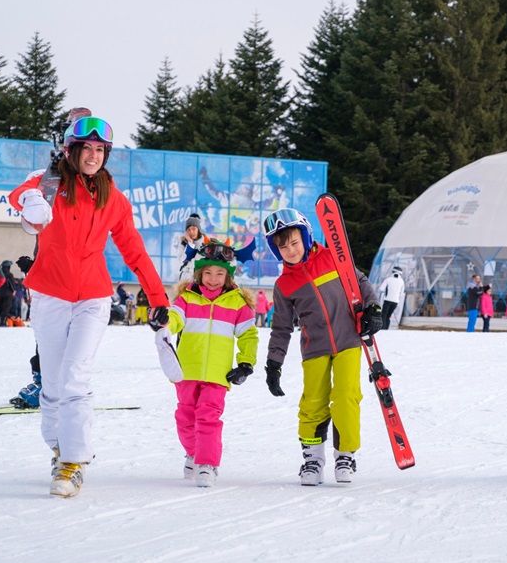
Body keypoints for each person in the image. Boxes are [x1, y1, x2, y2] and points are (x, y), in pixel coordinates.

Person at [8, 112, 170, 499]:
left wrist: (157, 297)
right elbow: (21, 194)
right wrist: (30, 200)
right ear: (72, 150)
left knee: (75, 377)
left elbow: (134, 250)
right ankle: (59, 448)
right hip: (49, 294)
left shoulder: (113, 198)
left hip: (93, 297)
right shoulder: (51, 184)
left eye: (101, 149)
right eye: (88, 148)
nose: (94, 155)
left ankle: (72, 462)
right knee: (51, 383)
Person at [261, 208, 381, 486]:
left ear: (305, 237)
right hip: (314, 347)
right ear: (276, 249)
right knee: (313, 402)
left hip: (349, 339)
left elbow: (360, 282)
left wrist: (373, 307)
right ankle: (312, 459)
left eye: (294, 242)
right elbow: (281, 327)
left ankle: (345, 455)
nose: (290, 250)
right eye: (283, 246)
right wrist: (273, 363)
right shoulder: (284, 285)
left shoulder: (331, 257)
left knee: (346, 397)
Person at [163, 240, 258, 487]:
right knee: (185, 417)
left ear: (227, 275)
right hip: (187, 370)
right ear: (199, 273)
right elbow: (175, 317)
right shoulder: (188, 298)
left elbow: (248, 335)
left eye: (219, 273)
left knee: (208, 416)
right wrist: (165, 323)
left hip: (218, 374)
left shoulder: (237, 303)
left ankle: (207, 464)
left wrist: (246, 363)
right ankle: (193, 453)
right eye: (208, 272)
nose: (213, 278)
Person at [177, 214, 206, 283]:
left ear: (198, 229)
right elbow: (181, 260)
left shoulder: (205, 242)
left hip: (201, 276)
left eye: (193, 229)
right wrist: (190, 243)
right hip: (186, 277)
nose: (191, 232)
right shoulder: (183, 243)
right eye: (188, 230)